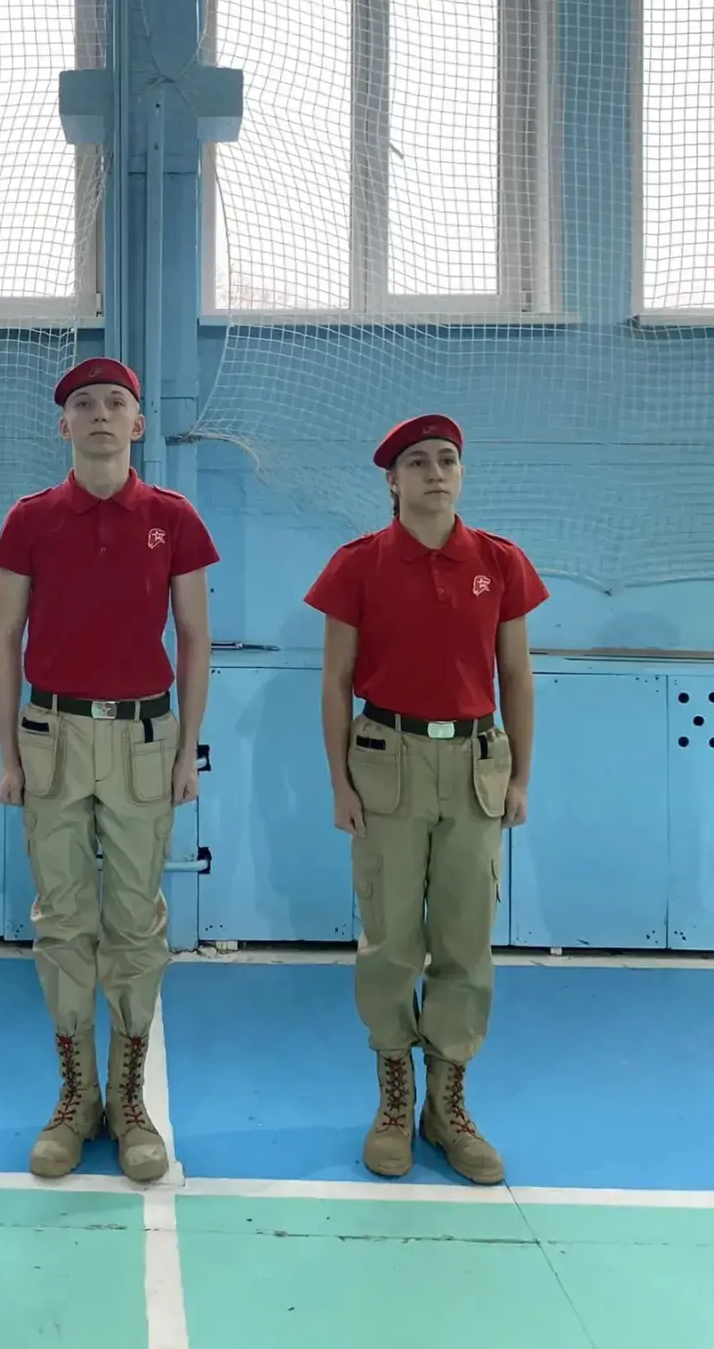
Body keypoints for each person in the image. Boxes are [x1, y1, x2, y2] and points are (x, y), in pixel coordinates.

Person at [0, 358, 218, 1184]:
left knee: (134, 921)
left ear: (138, 424)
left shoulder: (172, 517)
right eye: (82, 403)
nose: (98, 413)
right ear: (63, 425)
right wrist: (9, 753)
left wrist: (188, 746)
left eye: (115, 402)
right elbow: (4, 638)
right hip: (52, 734)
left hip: (143, 738)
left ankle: (127, 1099)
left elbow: (194, 636)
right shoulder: (32, 519)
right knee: (61, 920)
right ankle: (74, 1095)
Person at [304, 415, 546, 1185]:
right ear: (392, 480)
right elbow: (336, 680)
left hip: (475, 763)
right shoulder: (359, 564)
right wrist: (340, 782)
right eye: (418, 462)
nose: (436, 472)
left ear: (461, 473)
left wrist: (519, 777)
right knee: (391, 939)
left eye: (448, 459)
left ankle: (448, 1104)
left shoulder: (499, 562)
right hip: (388, 763)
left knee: (465, 939)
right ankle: (393, 1099)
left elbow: (517, 676)